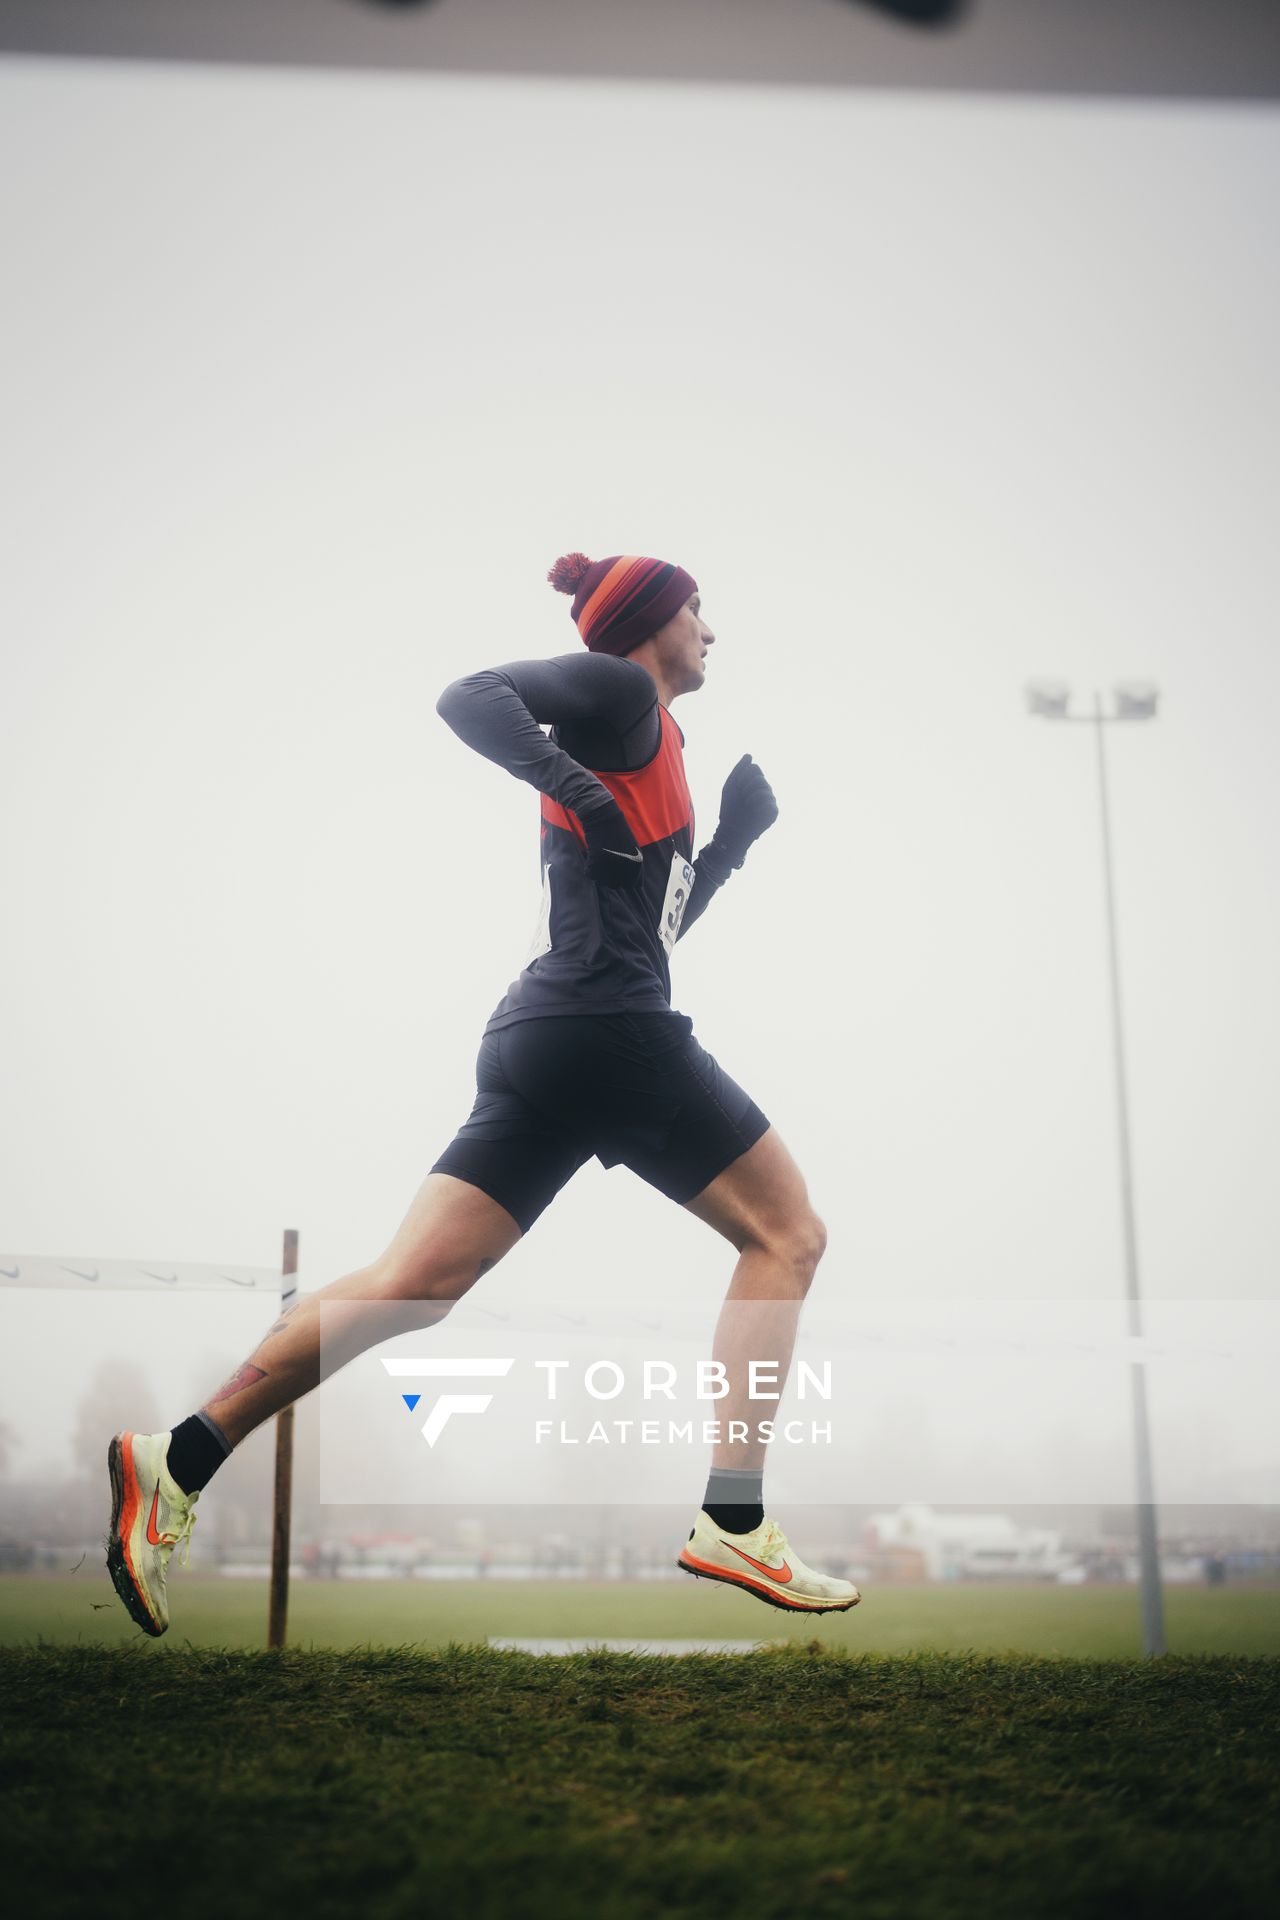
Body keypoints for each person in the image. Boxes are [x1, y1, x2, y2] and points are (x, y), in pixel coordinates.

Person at [106, 550, 859, 1634]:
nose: (711, 631)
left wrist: (728, 845)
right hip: (606, 1032)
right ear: (650, 621)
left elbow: (650, 933)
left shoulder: (654, 738)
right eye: (698, 610)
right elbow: (469, 696)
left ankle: (174, 1458)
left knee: (413, 1283)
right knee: (787, 1237)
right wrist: (573, 785)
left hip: (546, 1037)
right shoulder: (616, 690)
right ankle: (731, 1522)